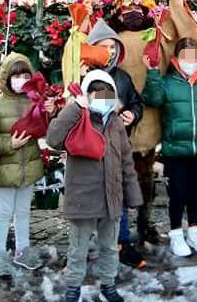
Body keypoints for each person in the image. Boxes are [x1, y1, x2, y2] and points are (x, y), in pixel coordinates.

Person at [46, 70, 143, 302]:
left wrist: (133, 195)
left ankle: (108, 285)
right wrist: (75, 108)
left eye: (108, 94)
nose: (103, 99)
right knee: (77, 248)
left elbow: (126, 162)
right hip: (83, 197)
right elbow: (53, 138)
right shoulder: (78, 119)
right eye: (97, 95)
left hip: (112, 198)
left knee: (110, 247)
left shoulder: (116, 124)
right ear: (87, 96)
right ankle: (73, 288)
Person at [141, 38, 197, 257]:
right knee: (177, 194)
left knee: (195, 192)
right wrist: (152, 73)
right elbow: (153, 99)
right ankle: (176, 233)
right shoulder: (168, 82)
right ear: (177, 58)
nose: (191, 61)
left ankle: (195, 230)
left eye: (194, 56)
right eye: (185, 56)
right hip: (175, 150)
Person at [0, 52, 57, 277]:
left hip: (29, 167)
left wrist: (50, 112)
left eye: (25, 74)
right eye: (15, 75)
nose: (20, 79)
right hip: (4, 170)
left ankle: (23, 249)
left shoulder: (33, 100)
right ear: (6, 77)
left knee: (24, 211)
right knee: (4, 211)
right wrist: (11, 143)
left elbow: (46, 130)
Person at [86, 19, 147, 269]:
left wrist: (132, 114)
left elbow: (136, 102)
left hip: (118, 147)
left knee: (118, 198)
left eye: (113, 47)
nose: (109, 51)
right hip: (90, 149)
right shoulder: (84, 75)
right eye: (103, 46)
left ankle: (121, 244)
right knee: (93, 200)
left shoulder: (122, 78)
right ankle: (92, 246)